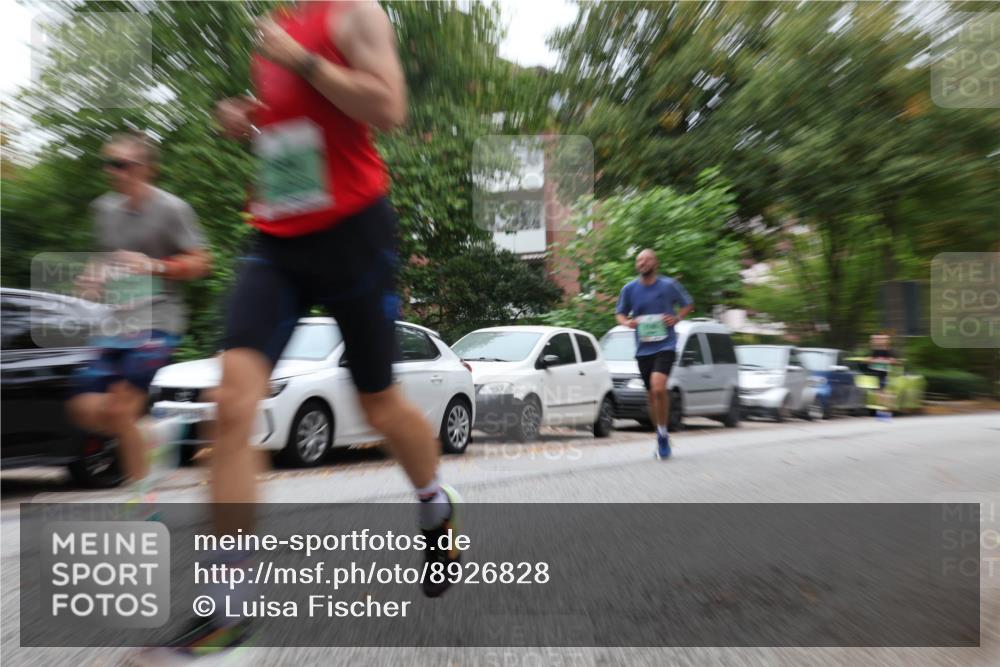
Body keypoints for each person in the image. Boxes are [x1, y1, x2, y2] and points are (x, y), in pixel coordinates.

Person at [145, 1, 461, 659]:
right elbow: (306, 122)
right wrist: (252, 118)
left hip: (354, 238)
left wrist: (305, 61)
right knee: (230, 404)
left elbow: (388, 106)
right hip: (276, 239)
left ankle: (435, 504)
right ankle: (229, 612)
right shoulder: (276, 26)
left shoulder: (352, 13)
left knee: (378, 401)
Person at [68, 130, 210, 498]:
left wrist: (154, 266)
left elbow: (200, 263)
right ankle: (155, 433)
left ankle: (142, 498)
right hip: (118, 322)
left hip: (159, 320)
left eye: (121, 163)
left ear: (147, 169)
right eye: (108, 163)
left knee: (121, 409)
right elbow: (108, 259)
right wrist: (93, 276)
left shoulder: (171, 210)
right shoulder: (103, 209)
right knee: (84, 408)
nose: (112, 170)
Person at [615, 249, 694, 459]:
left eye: (647, 259)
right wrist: (627, 323)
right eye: (639, 260)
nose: (642, 262)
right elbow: (620, 314)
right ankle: (661, 433)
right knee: (651, 395)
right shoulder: (629, 289)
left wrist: (676, 318)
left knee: (659, 388)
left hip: (666, 345)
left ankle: (662, 432)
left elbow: (688, 304)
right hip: (643, 349)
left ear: (655, 263)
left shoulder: (668, 285)